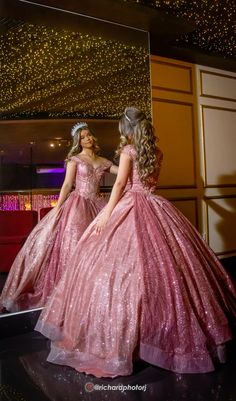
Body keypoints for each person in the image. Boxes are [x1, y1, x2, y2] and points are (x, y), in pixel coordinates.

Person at [35, 107, 236, 378]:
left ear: (127, 129)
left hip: (131, 205)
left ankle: (129, 338)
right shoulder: (156, 152)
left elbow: (119, 186)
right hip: (156, 205)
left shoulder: (128, 152)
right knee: (165, 268)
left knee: (117, 269)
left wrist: (105, 214)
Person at [0, 122, 118, 312]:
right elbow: (67, 184)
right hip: (79, 204)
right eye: (83, 137)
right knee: (76, 246)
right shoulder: (75, 159)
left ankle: (92, 290)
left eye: (88, 135)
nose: (87, 138)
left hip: (98, 205)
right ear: (78, 141)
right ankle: (71, 291)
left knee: (100, 246)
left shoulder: (103, 161)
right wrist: (58, 207)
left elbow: (122, 174)